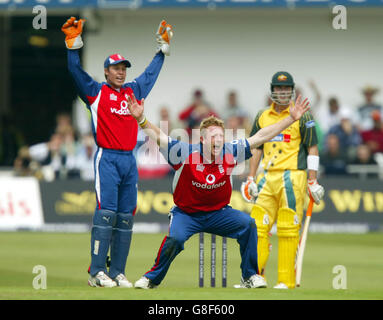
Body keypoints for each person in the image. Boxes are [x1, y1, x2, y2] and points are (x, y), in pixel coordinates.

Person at [125, 92, 310, 289]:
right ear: (203, 140)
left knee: (248, 225)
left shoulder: (230, 151)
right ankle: (151, 278)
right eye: (214, 136)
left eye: (222, 136)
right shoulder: (185, 153)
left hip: (219, 213)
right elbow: (160, 137)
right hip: (187, 214)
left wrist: (290, 118)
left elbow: (261, 136)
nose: (219, 140)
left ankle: (249, 276)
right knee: (176, 239)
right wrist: (140, 119)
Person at [61, 16, 174, 287]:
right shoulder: (96, 92)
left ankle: (117, 272)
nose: (121, 72)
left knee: (125, 217)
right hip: (107, 158)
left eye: (123, 68)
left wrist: (162, 51)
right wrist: (72, 46)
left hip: (128, 160)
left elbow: (150, 74)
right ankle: (96, 272)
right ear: (107, 72)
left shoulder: (133, 91)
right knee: (106, 213)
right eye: (116, 68)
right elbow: (75, 72)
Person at [241, 71, 325, 289]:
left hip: (292, 176)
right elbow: (256, 147)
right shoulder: (262, 115)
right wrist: (251, 177)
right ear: (272, 90)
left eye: (286, 88)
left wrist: (312, 180)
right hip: (266, 177)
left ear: (292, 90)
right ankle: (254, 277)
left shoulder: (303, 115)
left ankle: (285, 281)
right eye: (279, 89)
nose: (282, 92)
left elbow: (312, 147)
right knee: (256, 227)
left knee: (288, 228)